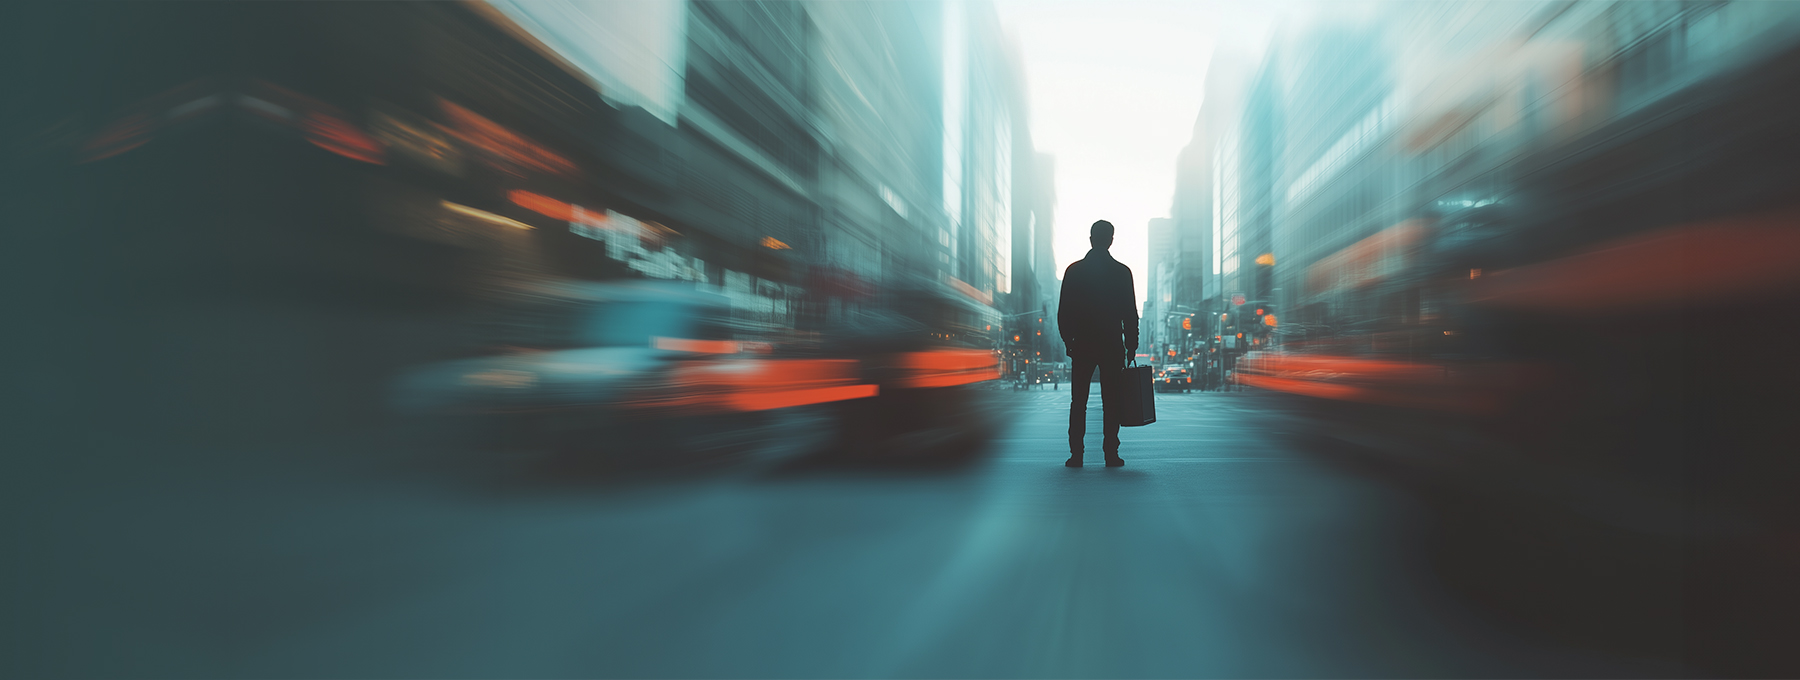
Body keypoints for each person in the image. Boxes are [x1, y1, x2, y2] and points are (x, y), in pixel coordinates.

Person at [1057, 220, 1139, 467]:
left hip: (1082, 343)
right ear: (1111, 240)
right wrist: (1131, 345)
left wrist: (1069, 341)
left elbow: (1063, 312)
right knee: (1111, 400)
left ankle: (1077, 454)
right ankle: (1111, 453)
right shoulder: (1122, 272)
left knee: (1078, 401)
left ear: (1091, 239)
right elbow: (1130, 313)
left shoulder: (1074, 271)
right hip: (1112, 343)